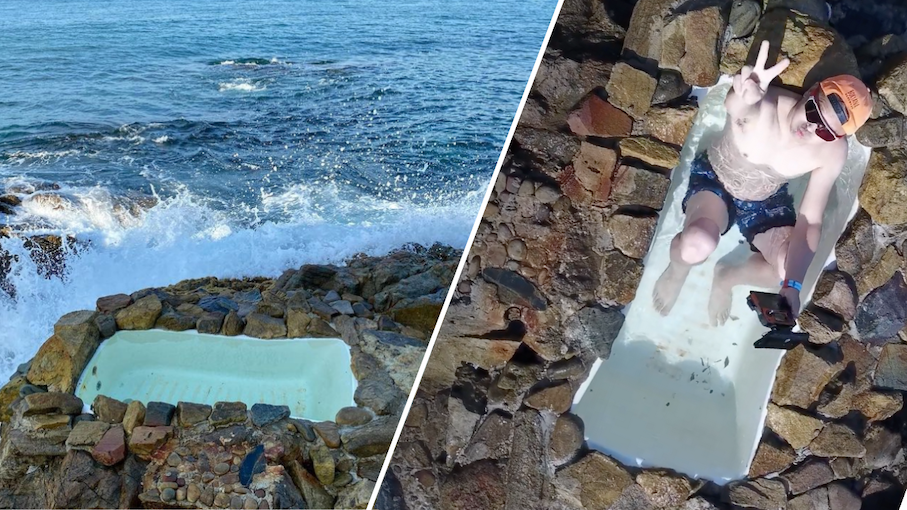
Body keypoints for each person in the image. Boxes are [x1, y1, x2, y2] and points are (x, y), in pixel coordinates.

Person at [652, 40, 872, 326]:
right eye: (814, 112)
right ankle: (678, 270)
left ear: (838, 137)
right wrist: (744, 94)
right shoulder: (764, 106)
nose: (811, 128)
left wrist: (792, 286)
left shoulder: (831, 152)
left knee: (786, 268)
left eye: (827, 131)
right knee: (696, 244)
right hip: (716, 180)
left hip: (767, 201)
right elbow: (738, 107)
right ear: (810, 92)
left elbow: (811, 220)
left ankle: (727, 277)